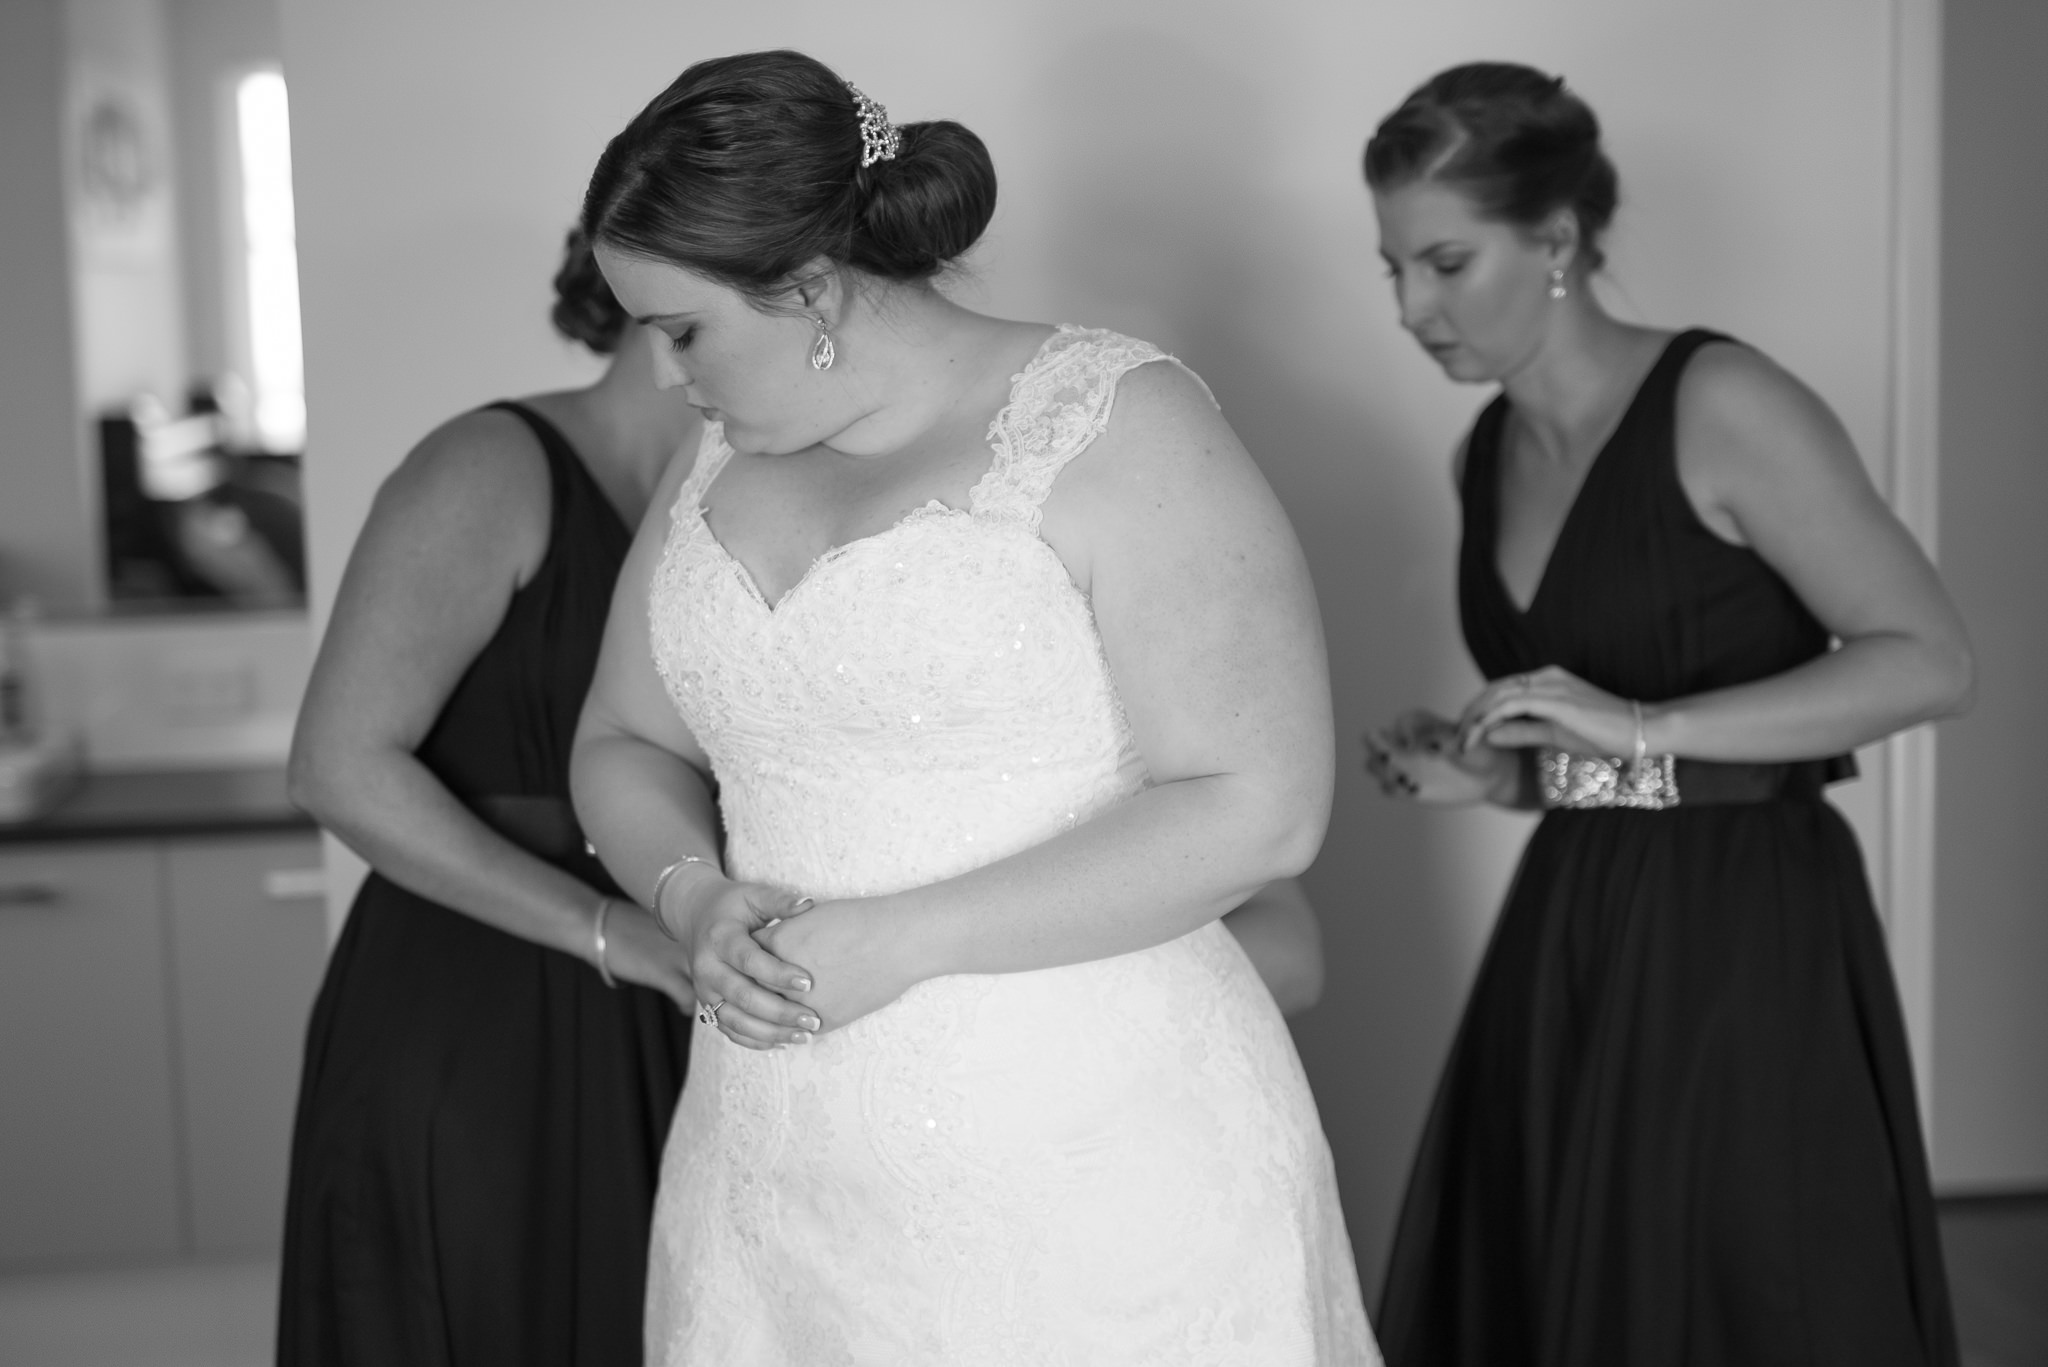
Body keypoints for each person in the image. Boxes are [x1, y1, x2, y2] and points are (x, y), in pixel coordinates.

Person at [568, 49, 1376, 1365]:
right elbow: (621, 736)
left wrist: (907, 937)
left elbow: (1260, 808)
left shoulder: (1118, 422)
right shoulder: (712, 460)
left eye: (681, 329)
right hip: (778, 1167)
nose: (664, 376)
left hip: (1093, 1157)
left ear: (813, 287)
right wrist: (688, 894)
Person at [1360, 62, 1970, 1367]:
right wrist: (1503, 784)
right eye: (1394, 269)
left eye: (1447, 262)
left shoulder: (1724, 405)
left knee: (1737, 1291)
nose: (1413, 307)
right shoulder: (1486, 455)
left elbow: (1929, 659)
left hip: (1749, 937)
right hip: (1572, 927)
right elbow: (1633, 770)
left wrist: (1640, 719)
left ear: (1560, 238)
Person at [277, 231, 700, 1366]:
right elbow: (338, 763)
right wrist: (609, 931)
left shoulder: (737, 501)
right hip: (479, 996)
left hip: (668, 980)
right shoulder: (489, 466)